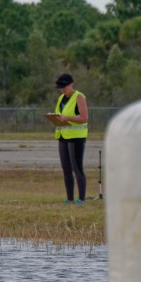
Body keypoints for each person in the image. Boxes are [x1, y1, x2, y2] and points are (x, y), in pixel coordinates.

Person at [52, 73, 89, 204]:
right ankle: (70, 198)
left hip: (76, 138)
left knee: (77, 168)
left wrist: (68, 118)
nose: (62, 90)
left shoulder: (79, 97)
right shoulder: (61, 98)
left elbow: (84, 118)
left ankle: (82, 199)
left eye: (64, 87)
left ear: (71, 84)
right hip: (63, 136)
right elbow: (61, 115)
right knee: (66, 168)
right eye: (60, 87)